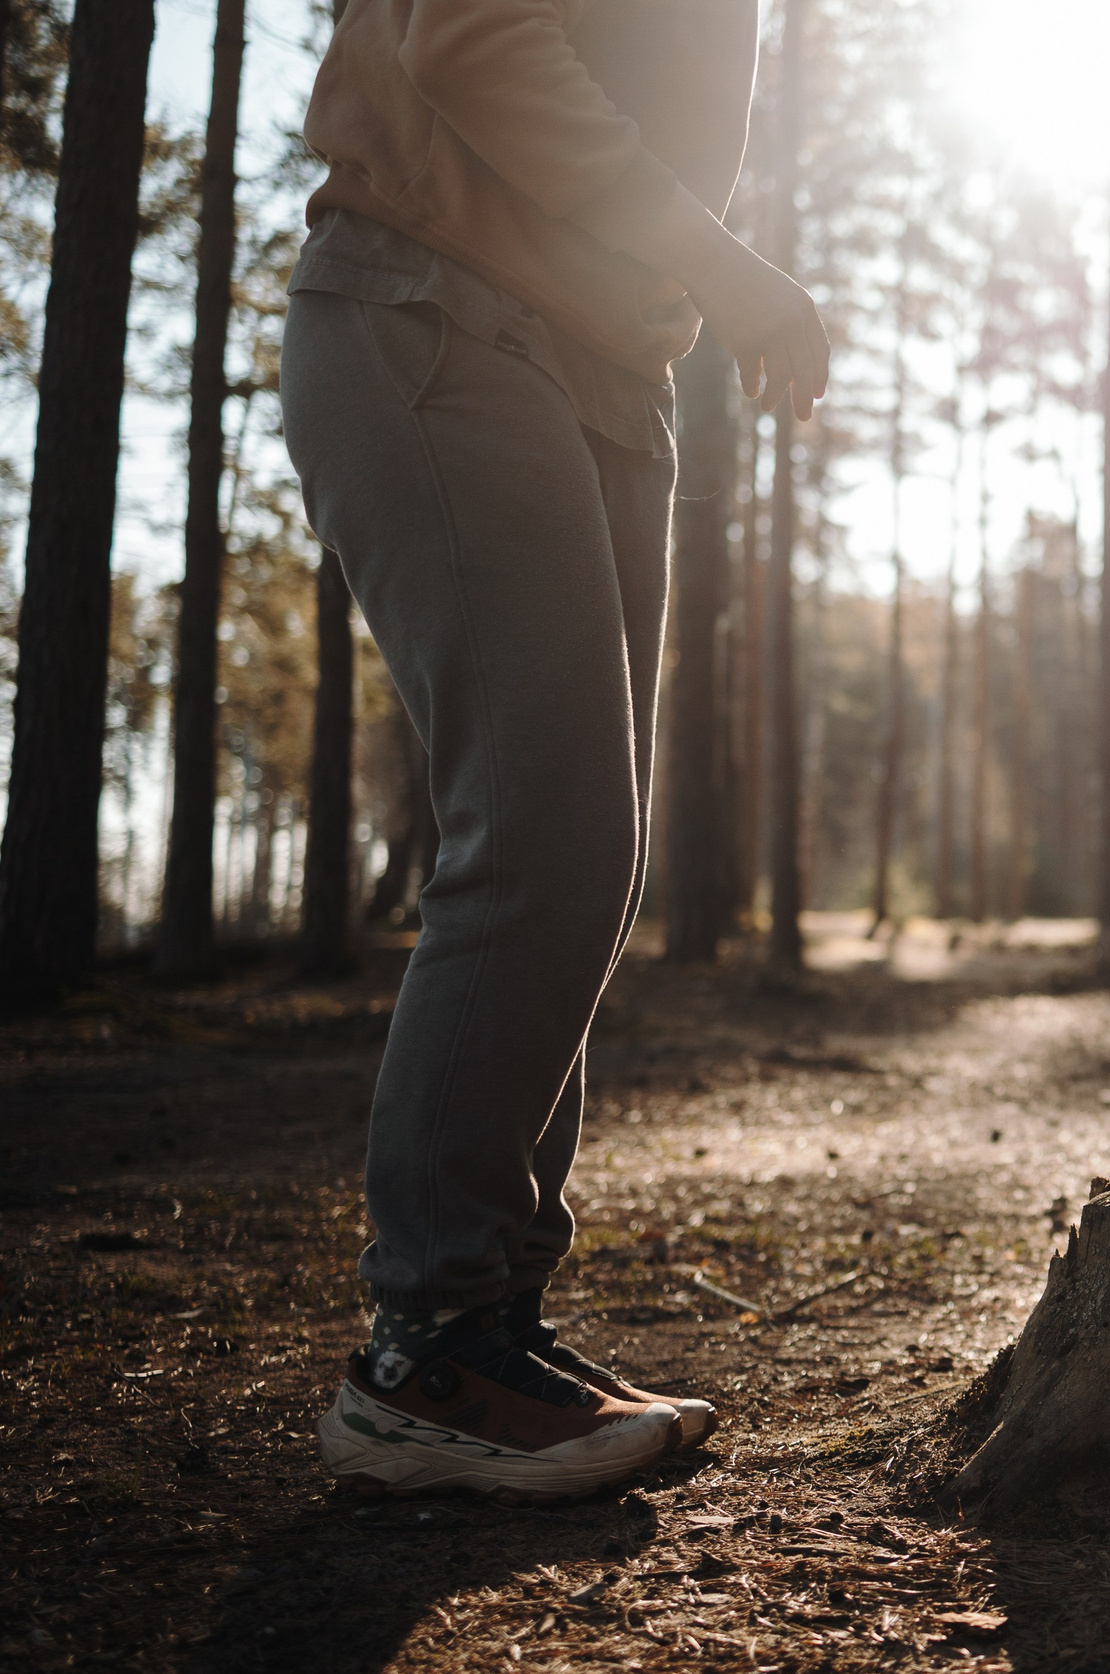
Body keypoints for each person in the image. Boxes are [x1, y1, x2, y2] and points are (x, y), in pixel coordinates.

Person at [281, 0, 827, 1500]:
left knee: (586, 855)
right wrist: (726, 270)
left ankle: (497, 1317)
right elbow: (470, 36)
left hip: (604, 373)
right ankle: (423, 1352)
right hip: (439, 308)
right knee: (538, 838)